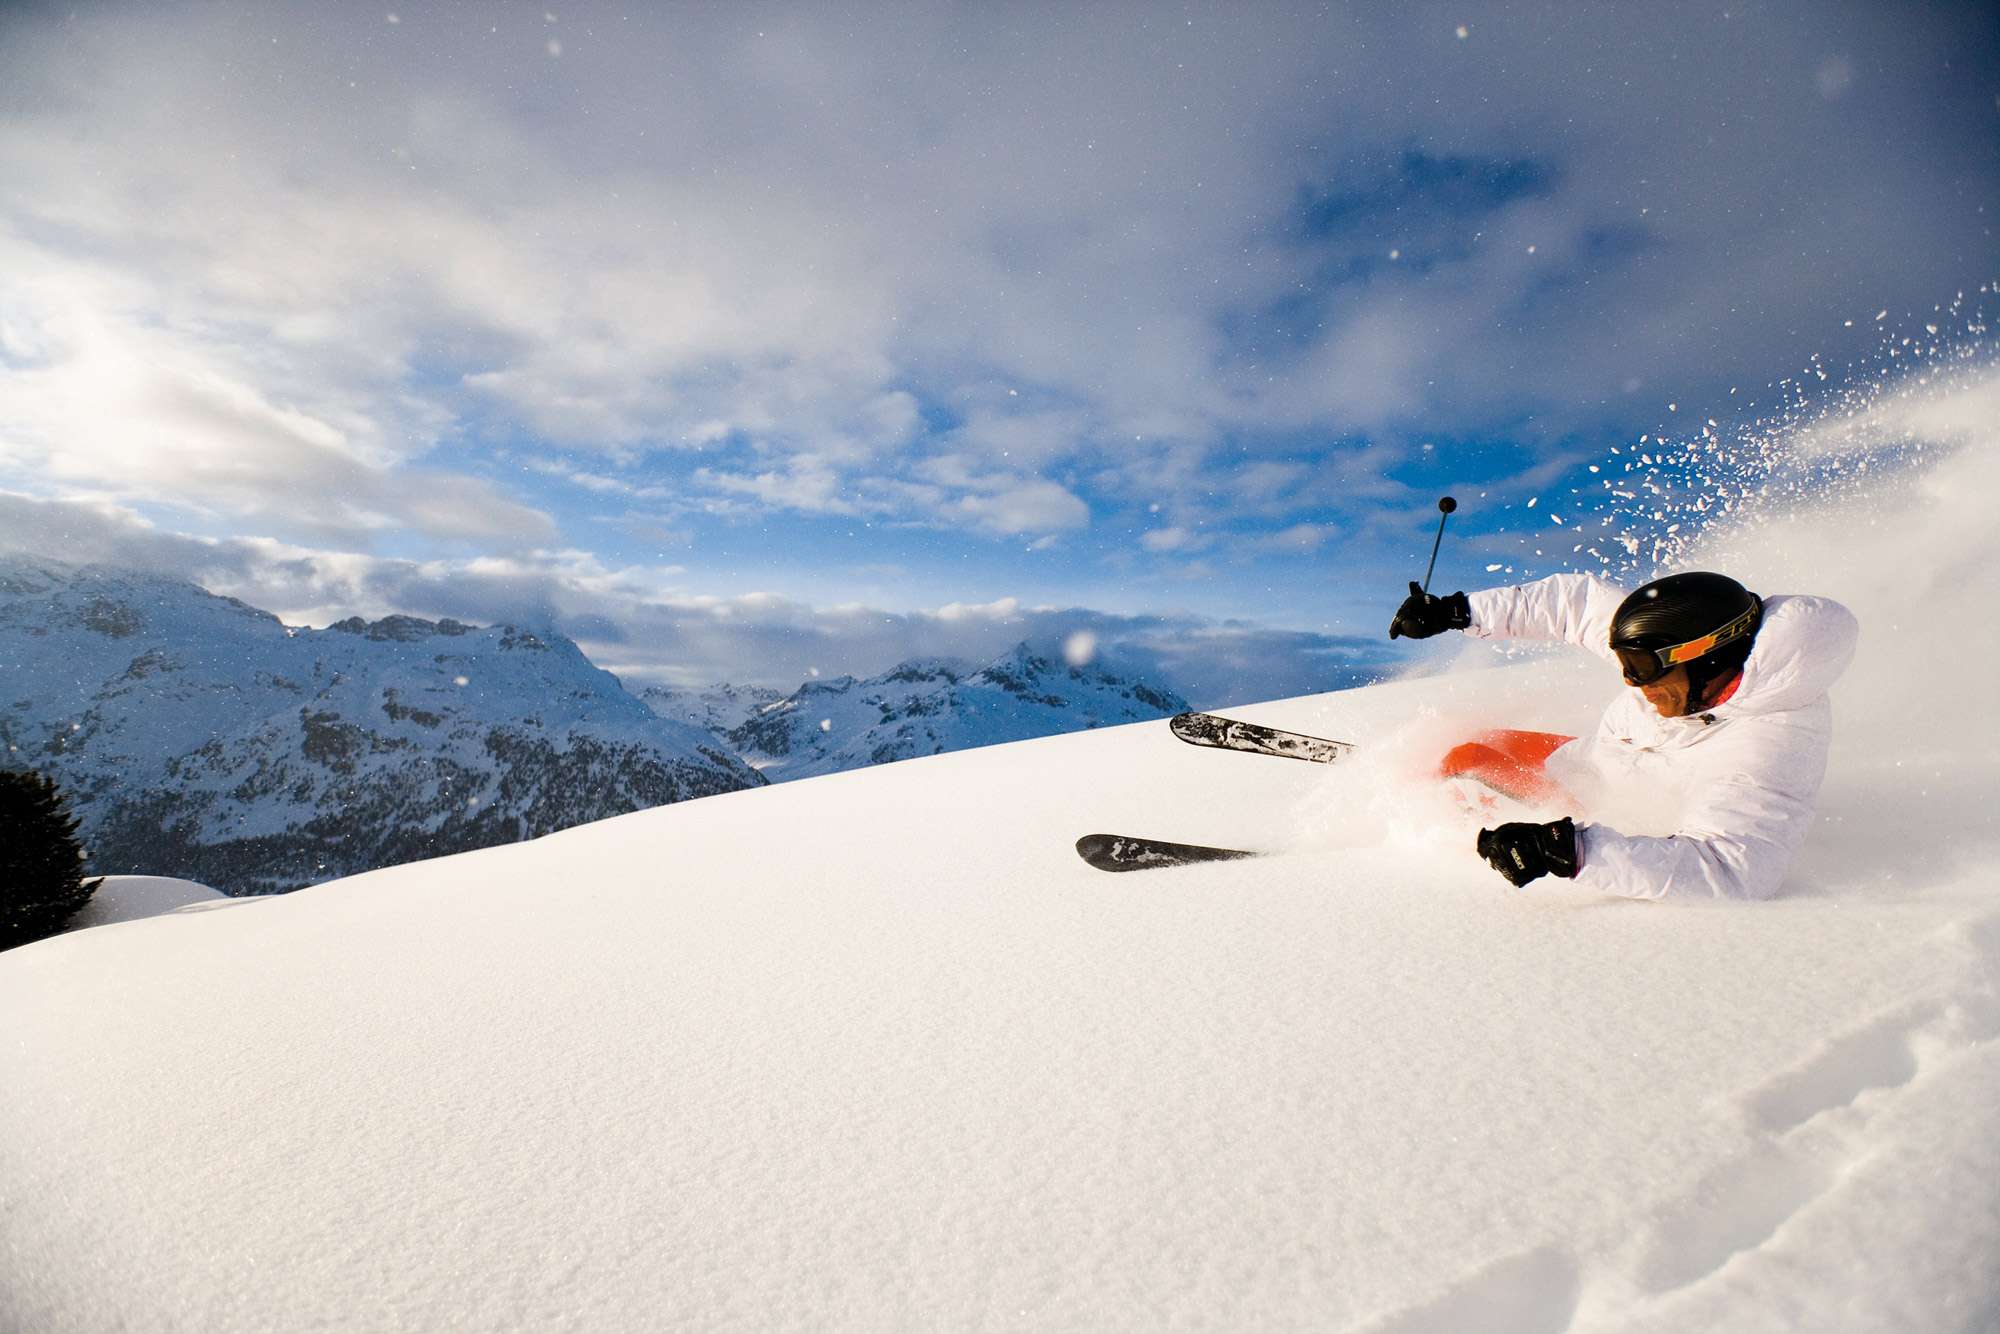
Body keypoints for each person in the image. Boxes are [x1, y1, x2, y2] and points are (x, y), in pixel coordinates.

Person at [1388, 570, 1859, 901]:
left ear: (1708, 661)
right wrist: (1457, 611)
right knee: (1469, 740)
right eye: (1628, 667)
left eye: (1642, 671)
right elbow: (1572, 605)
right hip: (1593, 761)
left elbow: (1731, 873)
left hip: (1605, 814)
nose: (1633, 684)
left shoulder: (1768, 748)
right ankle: (1428, 778)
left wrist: (1571, 850)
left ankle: (1441, 800)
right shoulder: (1670, 643)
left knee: (1464, 761)